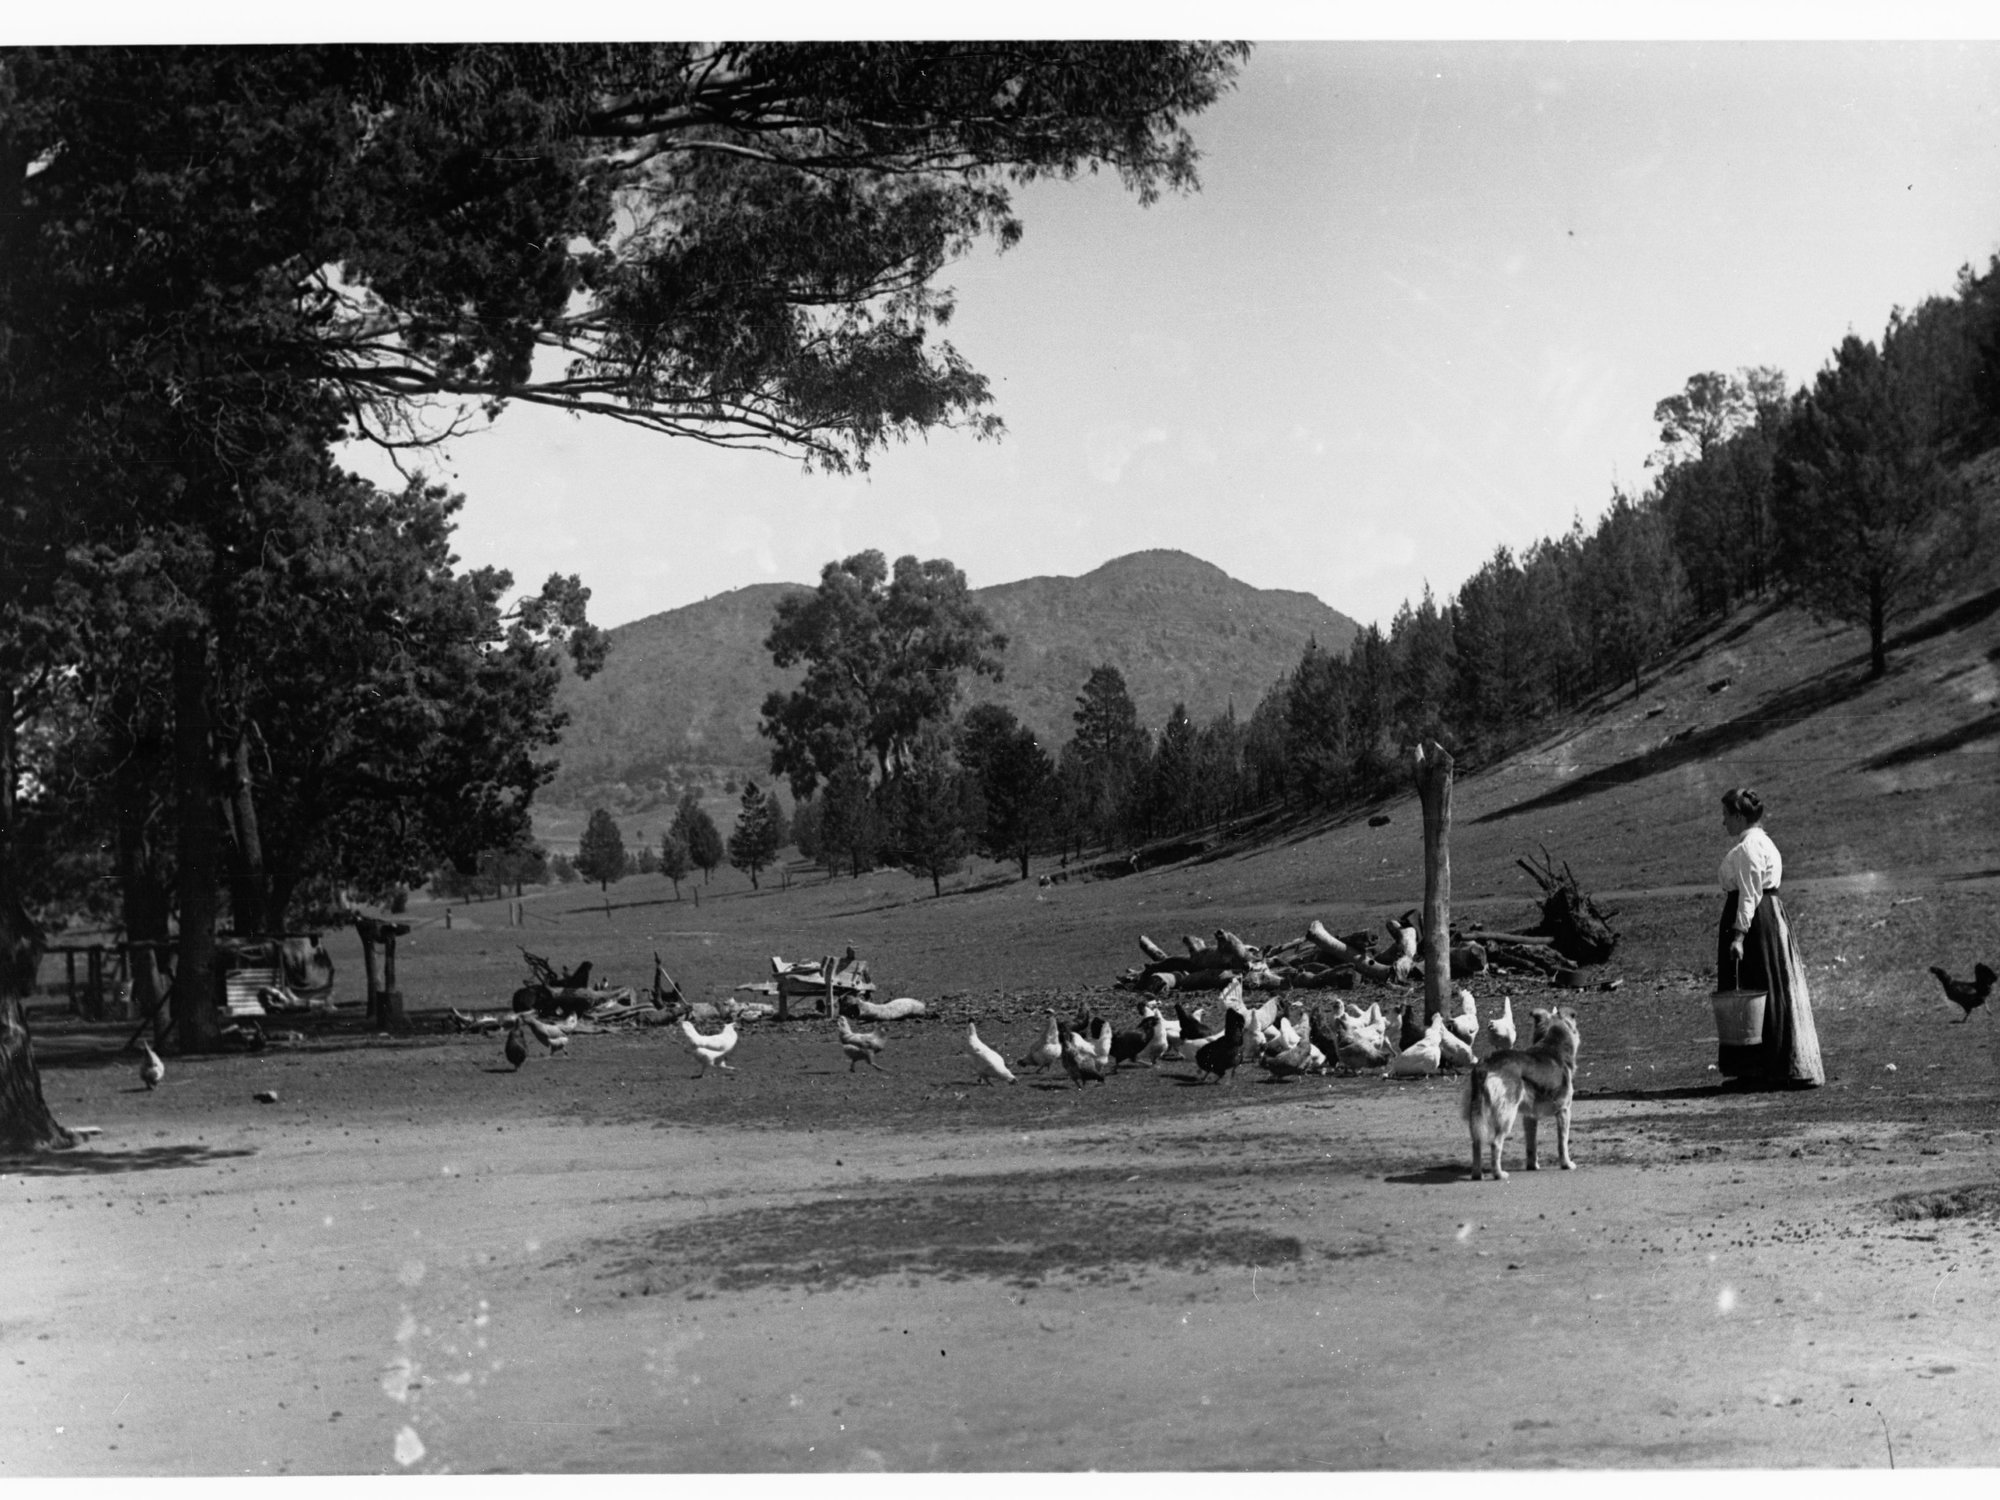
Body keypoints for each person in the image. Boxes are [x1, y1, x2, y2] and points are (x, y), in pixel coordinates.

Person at [1714, 788, 1824, 1087]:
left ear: (1739, 816)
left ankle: (1760, 1069)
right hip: (1767, 917)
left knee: (1754, 989)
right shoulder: (1763, 842)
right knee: (1768, 986)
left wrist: (1738, 935)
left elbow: (1749, 894)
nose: (1723, 822)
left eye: (1726, 816)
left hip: (1755, 923)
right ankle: (1763, 1066)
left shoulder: (1749, 847)